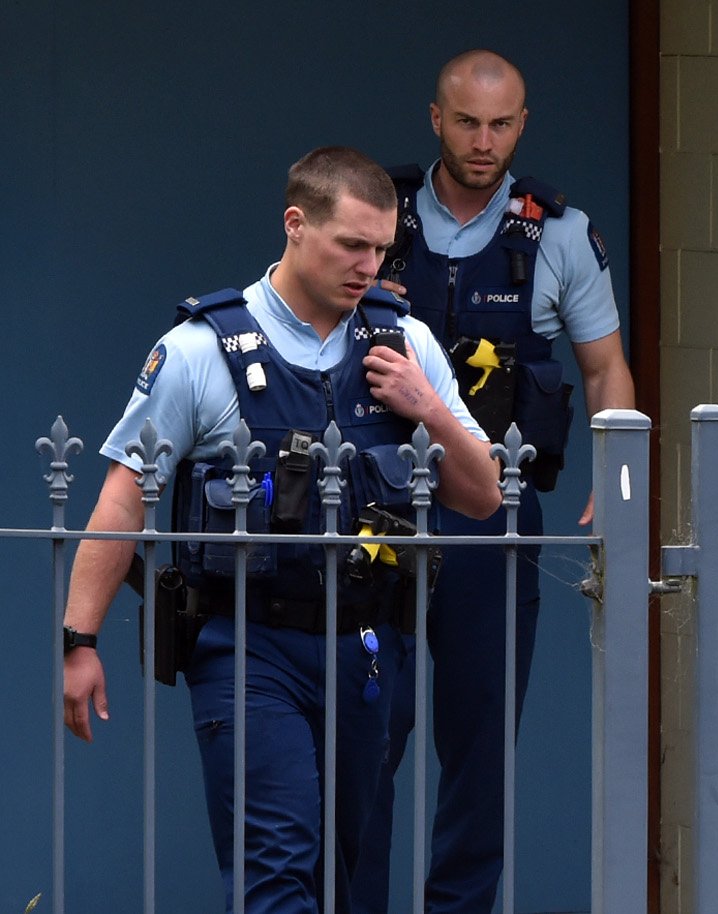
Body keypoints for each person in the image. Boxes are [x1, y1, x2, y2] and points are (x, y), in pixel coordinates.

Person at [60, 146, 502, 914]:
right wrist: (80, 642)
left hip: (366, 646)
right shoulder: (203, 350)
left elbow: (482, 498)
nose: (369, 266)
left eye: (381, 248)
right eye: (350, 245)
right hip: (247, 646)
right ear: (295, 225)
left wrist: (427, 406)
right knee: (275, 866)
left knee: (349, 875)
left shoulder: (404, 343)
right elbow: (124, 494)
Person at [352, 49, 636, 914]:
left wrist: (618, 486)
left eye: (501, 123)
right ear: (435, 120)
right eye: (466, 122)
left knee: (478, 745)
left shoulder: (555, 233)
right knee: (368, 727)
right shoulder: (371, 211)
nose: (483, 141)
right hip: (374, 508)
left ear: (522, 125)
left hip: (494, 515)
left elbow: (604, 371)